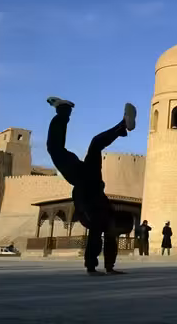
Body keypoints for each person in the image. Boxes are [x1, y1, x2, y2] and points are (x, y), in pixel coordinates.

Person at [46, 96, 136, 276]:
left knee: (62, 148)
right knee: (85, 146)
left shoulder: (102, 215)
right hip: (90, 184)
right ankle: (120, 126)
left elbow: (98, 230)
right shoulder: (107, 215)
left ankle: (64, 111)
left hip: (85, 185)